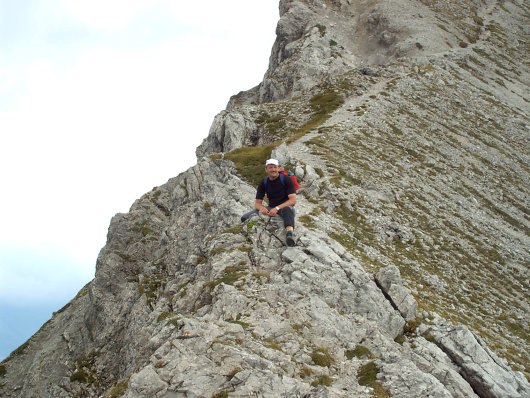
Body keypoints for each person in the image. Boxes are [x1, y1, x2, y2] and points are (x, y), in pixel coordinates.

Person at [241, 158, 297, 246]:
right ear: (266, 169)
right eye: (270, 167)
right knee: (244, 218)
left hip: (286, 208)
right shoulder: (264, 182)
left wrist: (277, 208)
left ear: (278, 168)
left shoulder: (287, 180)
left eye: (275, 167)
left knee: (286, 209)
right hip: (271, 208)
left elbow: (293, 201)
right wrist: (262, 208)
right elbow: (257, 203)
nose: (273, 169)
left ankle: (289, 234)